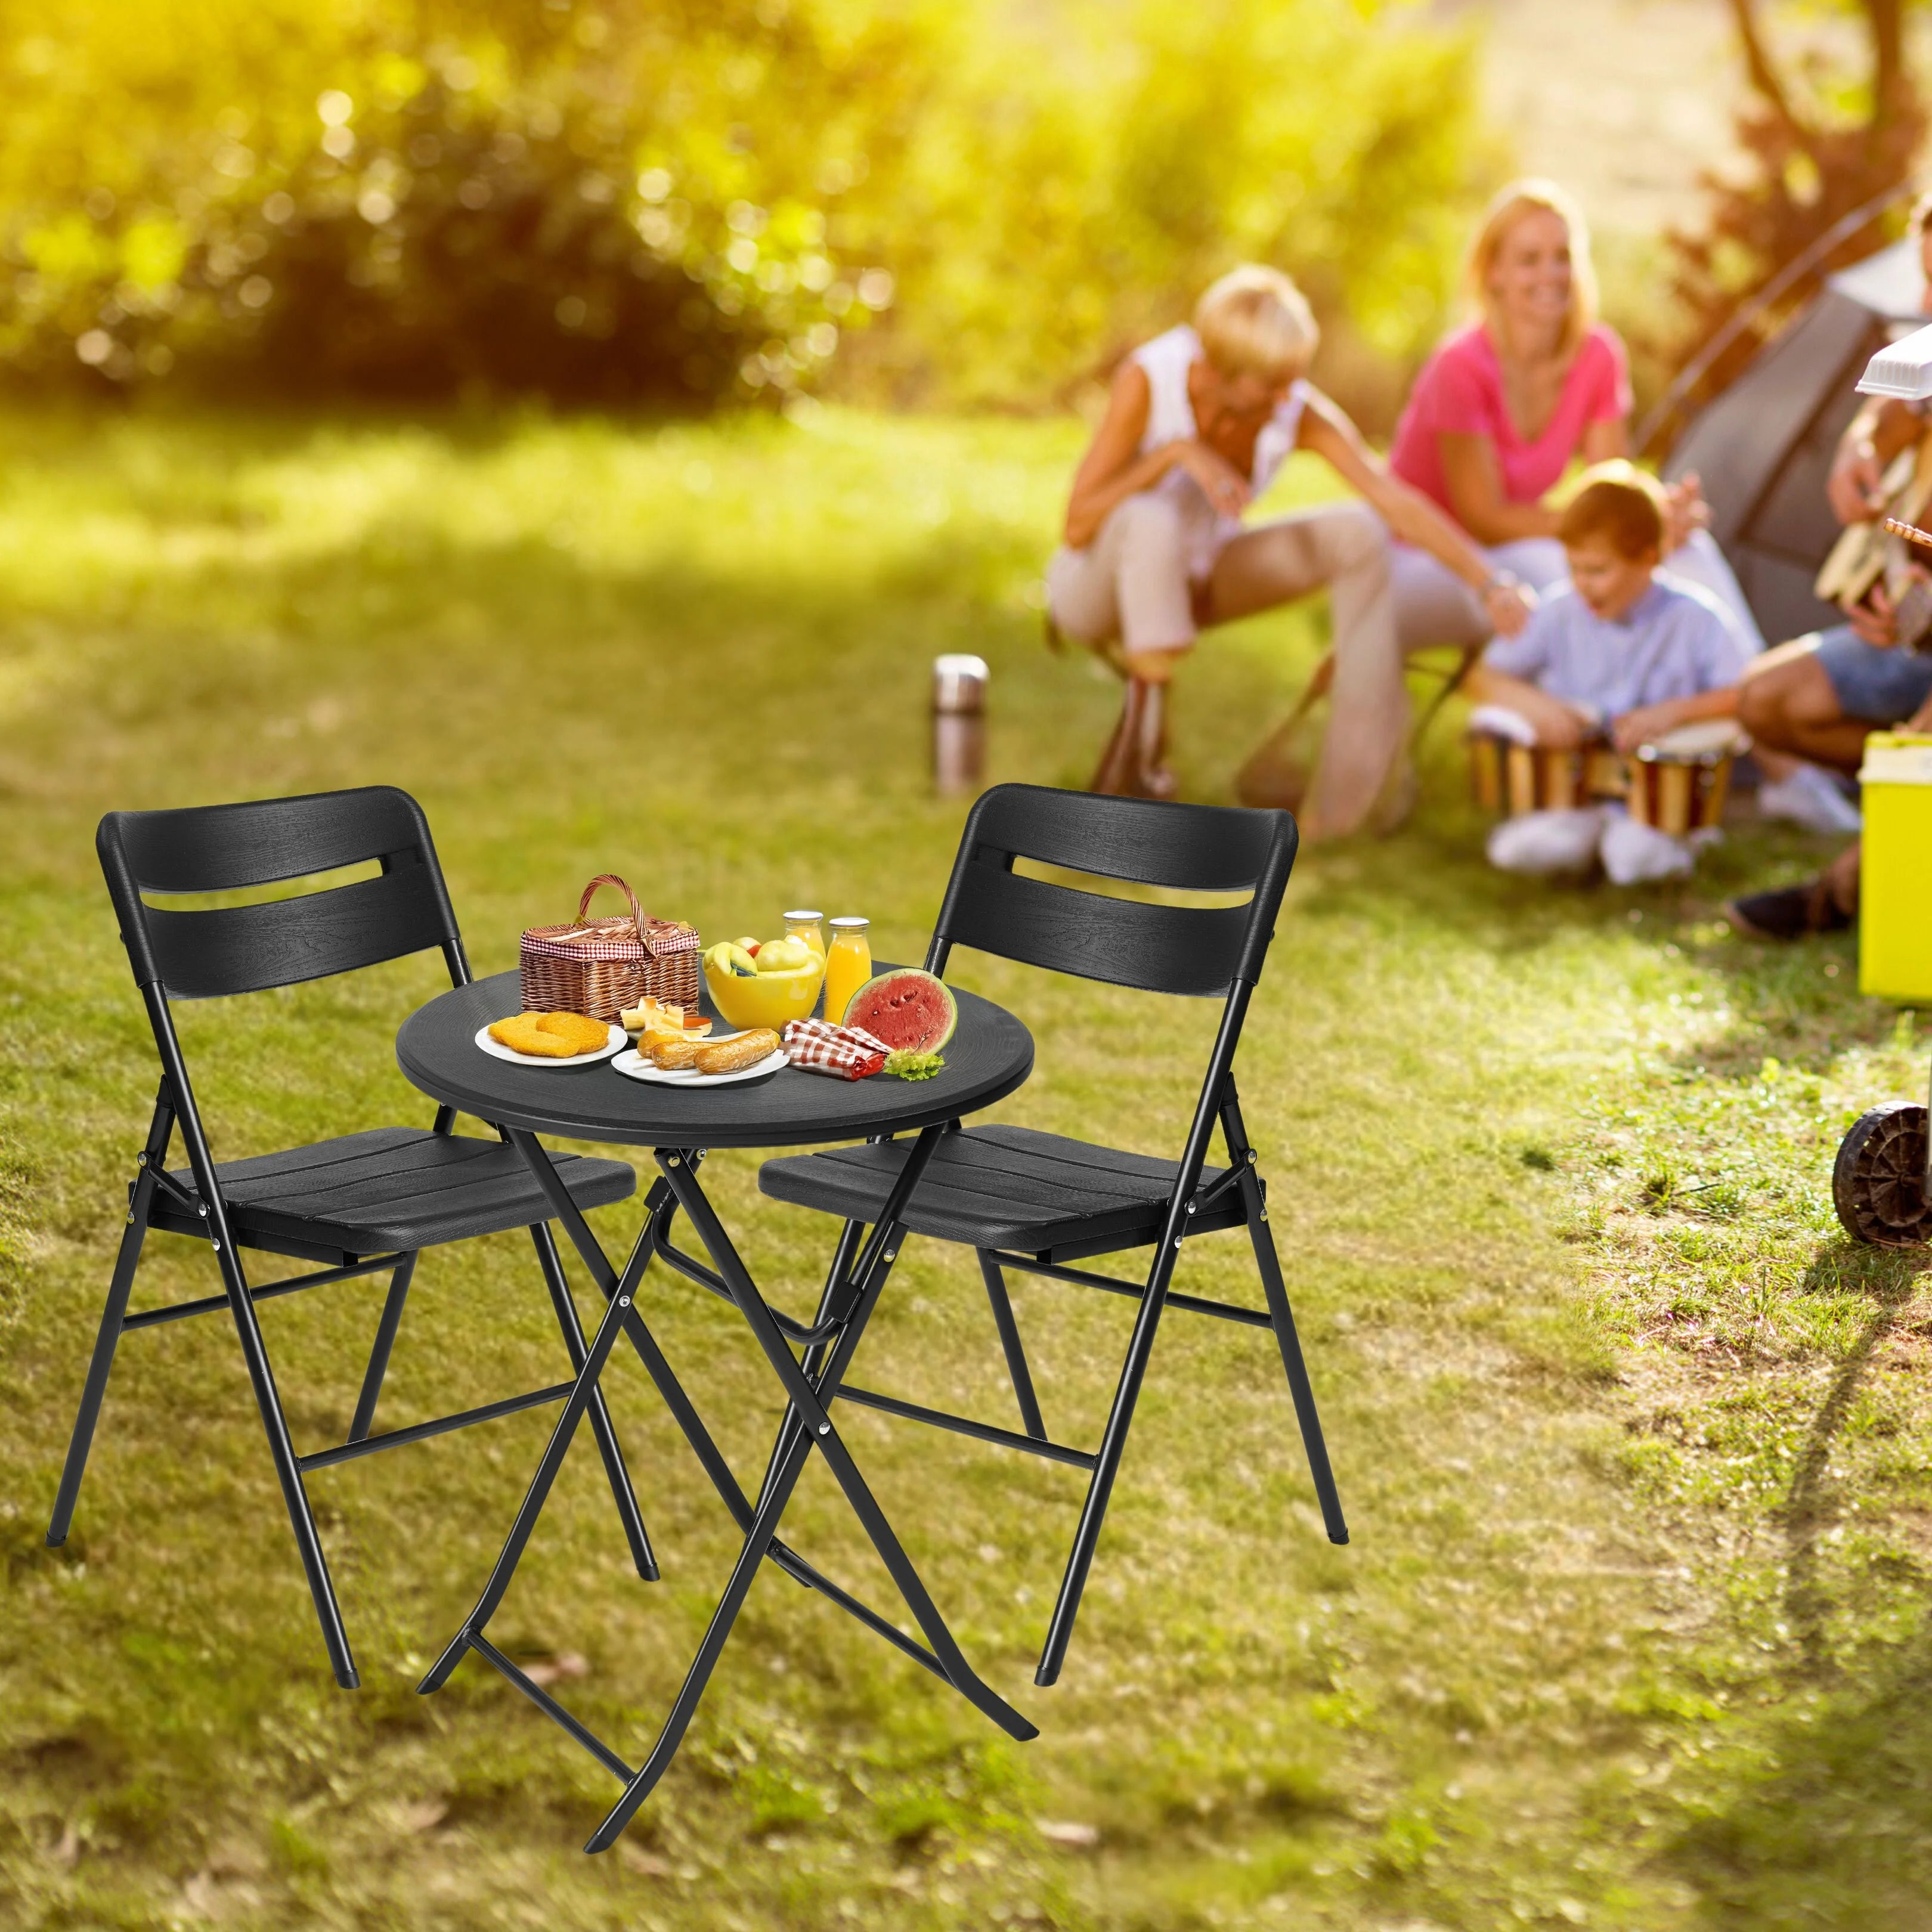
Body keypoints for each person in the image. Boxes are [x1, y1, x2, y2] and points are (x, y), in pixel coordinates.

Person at [1313, 178, 1851, 835]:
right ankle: (1604, 770)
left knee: (1685, 553)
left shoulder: (1596, 355)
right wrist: (1611, 533)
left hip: (1515, 550)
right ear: (1493, 273)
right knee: (1568, 572)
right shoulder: (1460, 366)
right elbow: (1482, 515)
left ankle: (1780, 761)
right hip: (1427, 562)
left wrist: (1656, 518)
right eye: (1529, 259)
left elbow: (1609, 488)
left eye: (1561, 256)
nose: (1550, 275)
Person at [1045, 264, 1532, 822]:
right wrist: (1174, 454)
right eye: (1272, 381)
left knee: (1359, 528)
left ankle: (1351, 794)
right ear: (1217, 370)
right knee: (1152, 516)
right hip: (1093, 592)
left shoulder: (1293, 408)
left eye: (1294, 377)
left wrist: (1488, 582)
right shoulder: (1151, 380)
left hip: (1198, 581)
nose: (1287, 396)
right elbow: (1077, 524)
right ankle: (1143, 760)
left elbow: (1393, 499)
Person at [1465, 463, 1749, 884]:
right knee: (1520, 854)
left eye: (1598, 570)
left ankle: (1661, 842)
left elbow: (1744, 694)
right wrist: (1538, 707)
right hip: (1577, 791)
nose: (1583, 584)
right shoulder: (1560, 610)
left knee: (1634, 863)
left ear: (1649, 558)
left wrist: (1673, 713)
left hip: (1656, 797)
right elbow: (1484, 676)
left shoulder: (1697, 618)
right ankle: (1589, 838)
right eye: (1574, 568)